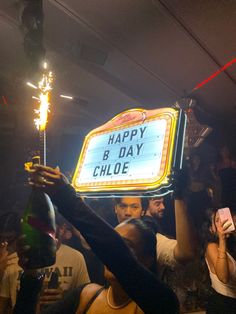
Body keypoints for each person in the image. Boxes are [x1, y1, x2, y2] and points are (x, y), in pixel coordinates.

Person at [14, 164, 179, 314]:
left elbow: (115, 251)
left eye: (126, 246)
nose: (109, 253)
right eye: (115, 241)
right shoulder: (86, 296)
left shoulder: (162, 302)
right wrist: (31, 275)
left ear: (149, 259)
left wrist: (67, 199)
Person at [0, 215, 90, 313]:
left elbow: (86, 301)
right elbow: (3, 306)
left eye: (47, 228)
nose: (42, 232)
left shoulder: (76, 257)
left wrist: (65, 300)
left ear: (61, 228)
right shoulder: (18, 258)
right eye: (36, 227)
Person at [204, 208, 236, 313]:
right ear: (211, 228)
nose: (222, 222)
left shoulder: (232, 246)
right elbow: (223, 277)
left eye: (226, 218)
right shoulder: (211, 247)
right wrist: (222, 239)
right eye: (217, 220)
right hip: (222, 306)